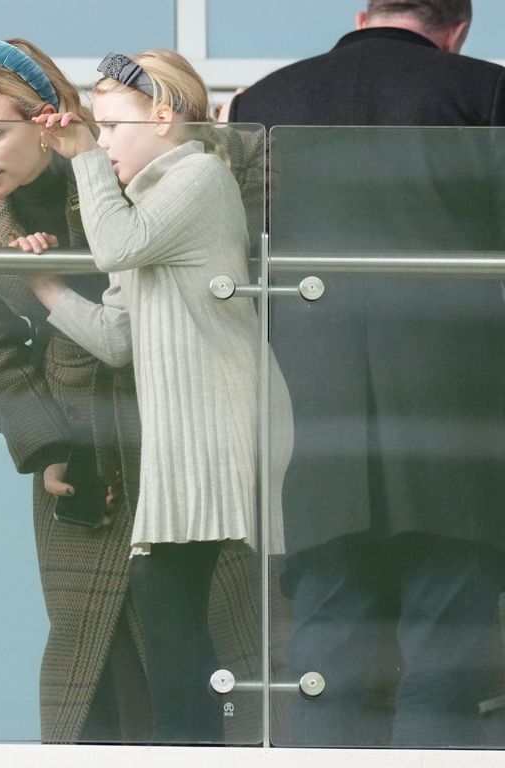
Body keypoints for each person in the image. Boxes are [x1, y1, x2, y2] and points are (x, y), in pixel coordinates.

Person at [226, 0, 505, 747]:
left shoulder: (264, 104)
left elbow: (240, 264)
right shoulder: (487, 92)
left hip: (318, 424)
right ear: (459, 27)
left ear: (362, 13)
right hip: (459, 427)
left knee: (329, 674)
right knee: (444, 676)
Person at [25, 49, 293, 745]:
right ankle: (196, 748)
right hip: (187, 427)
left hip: (217, 417)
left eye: (114, 125)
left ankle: (195, 750)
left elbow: (116, 246)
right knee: (173, 603)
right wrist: (45, 290)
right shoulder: (149, 199)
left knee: (169, 597)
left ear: (166, 118)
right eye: (101, 129)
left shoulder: (197, 174)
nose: (105, 140)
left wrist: (81, 152)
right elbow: (118, 336)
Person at [0, 37, 149, 744]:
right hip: (70, 431)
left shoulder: (110, 171)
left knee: (167, 628)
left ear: (45, 120)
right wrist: (46, 447)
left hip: (158, 411)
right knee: (86, 640)